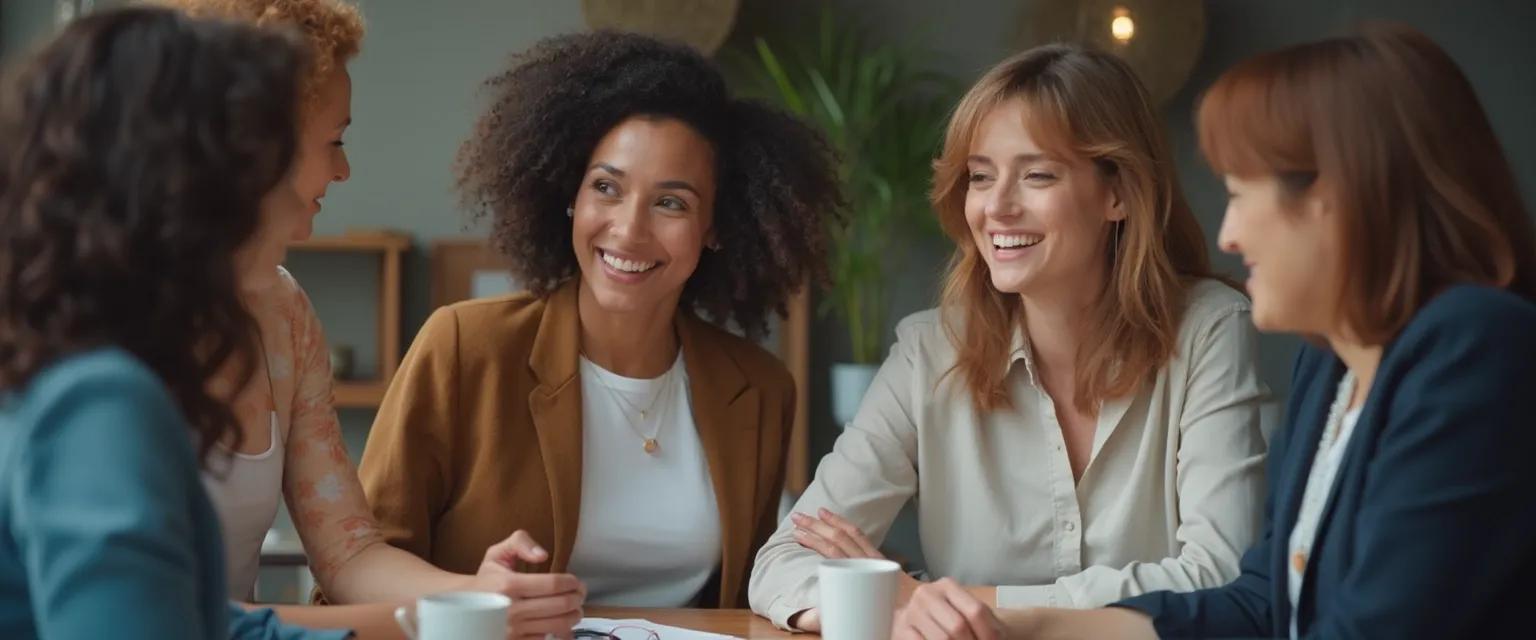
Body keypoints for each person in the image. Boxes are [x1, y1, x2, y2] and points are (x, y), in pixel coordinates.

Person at [897, 24, 1536, 640]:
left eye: (1240, 193)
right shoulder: (1333, 368)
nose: (1229, 235)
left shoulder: (1473, 345)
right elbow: (1257, 607)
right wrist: (1017, 624)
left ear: (1342, 198)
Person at [748, 43, 1271, 632]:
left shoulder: (1208, 328)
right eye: (980, 177)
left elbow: (1222, 575)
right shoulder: (930, 351)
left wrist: (956, 603)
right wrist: (889, 615)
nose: (996, 207)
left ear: (1118, 192)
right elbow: (781, 561)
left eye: (1037, 175)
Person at [356, 30, 842, 612]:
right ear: (572, 196)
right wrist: (471, 597)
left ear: (716, 227)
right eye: (606, 188)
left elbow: (751, 597)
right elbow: (359, 560)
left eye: (671, 202)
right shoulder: (465, 347)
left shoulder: (760, 389)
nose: (628, 229)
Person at [159, 2, 569, 633]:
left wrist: (482, 593)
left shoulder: (283, 312)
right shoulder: (100, 321)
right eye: (335, 140)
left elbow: (348, 552)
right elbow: (157, 614)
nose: (344, 170)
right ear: (257, 143)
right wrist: (433, 621)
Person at [0, 7, 359, 638]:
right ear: (198, 184)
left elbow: (194, 617)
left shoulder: (71, 357)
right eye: (264, 158)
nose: (280, 190)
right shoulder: (95, 401)